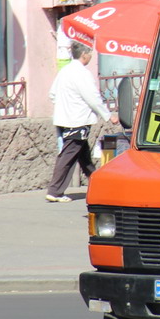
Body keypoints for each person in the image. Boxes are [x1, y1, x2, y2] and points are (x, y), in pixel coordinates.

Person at [46, 42, 118, 202]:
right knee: (69, 153)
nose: (91, 57)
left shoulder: (64, 71)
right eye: (90, 54)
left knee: (83, 154)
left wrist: (64, 107)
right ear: (84, 55)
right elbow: (93, 98)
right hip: (77, 120)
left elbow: (53, 94)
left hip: (65, 118)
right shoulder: (82, 74)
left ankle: (97, 184)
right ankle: (55, 191)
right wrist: (108, 115)